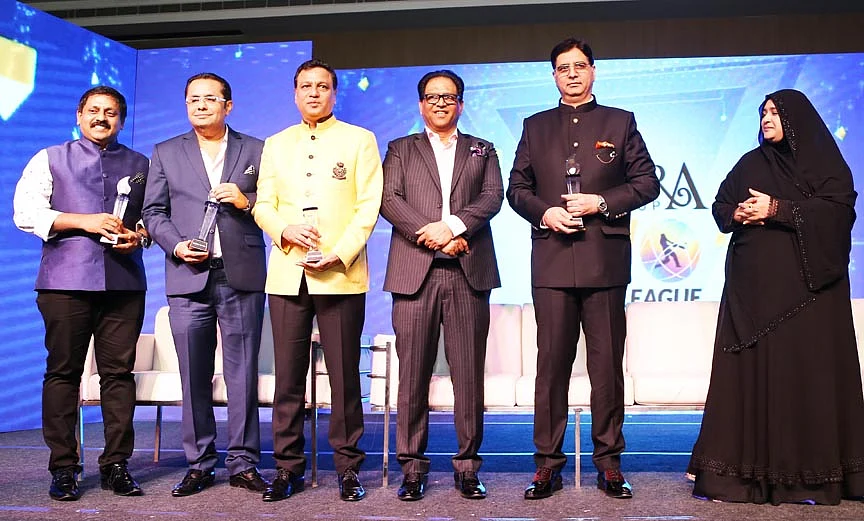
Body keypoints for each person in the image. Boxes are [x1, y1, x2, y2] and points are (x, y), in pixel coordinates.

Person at [687, 89, 864, 505]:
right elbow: (721, 205)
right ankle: (746, 478)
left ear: (796, 119)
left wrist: (778, 209)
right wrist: (736, 213)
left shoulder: (825, 165)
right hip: (752, 297)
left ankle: (809, 479)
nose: (766, 119)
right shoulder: (751, 163)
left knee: (804, 380)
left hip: (808, 298)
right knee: (752, 381)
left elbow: (837, 212)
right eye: (763, 112)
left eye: (775, 112)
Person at [506, 37, 660, 500]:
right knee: (550, 367)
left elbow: (647, 183)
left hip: (604, 262)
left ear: (593, 70)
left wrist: (601, 203)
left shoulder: (620, 121)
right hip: (552, 260)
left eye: (579, 66)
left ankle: (609, 464)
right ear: (553, 75)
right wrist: (545, 213)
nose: (571, 74)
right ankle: (546, 465)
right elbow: (517, 189)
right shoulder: (535, 126)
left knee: (606, 368)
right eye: (562, 68)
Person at [253, 58, 383, 503]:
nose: (314, 93)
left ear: (334, 93)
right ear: (295, 93)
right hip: (287, 274)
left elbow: (368, 206)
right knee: (287, 378)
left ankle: (348, 467)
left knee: (345, 377)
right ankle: (287, 467)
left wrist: (339, 252)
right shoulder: (276, 143)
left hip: (341, 273)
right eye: (306, 86)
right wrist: (284, 230)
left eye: (322, 86)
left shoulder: (359, 139)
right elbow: (262, 204)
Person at [13, 86, 149, 501]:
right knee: (63, 373)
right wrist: (83, 221)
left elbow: (154, 218)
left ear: (121, 120)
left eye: (110, 112)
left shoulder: (141, 164)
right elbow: (25, 213)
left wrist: (139, 237)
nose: (101, 117)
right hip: (64, 283)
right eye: (94, 110)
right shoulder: (50, 157)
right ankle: (64, 467)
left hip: (124, 283)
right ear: (79, 115)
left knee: (119, 376)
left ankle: (116, 465)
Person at [380, 70, 503, 501]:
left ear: (461, 104)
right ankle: (412, 467)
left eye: (448, 97)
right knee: (412, 375)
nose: (440, 103)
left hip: (468, 270)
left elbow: (492, 197)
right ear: (420, 105)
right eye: (432, 97)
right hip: (415, 273)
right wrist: (433, 235)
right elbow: (390, 200)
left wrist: (452, 227)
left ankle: (468, 467)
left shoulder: (482, 149)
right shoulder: (400, 149)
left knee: (468, 375)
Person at [142, 73, 268, 497]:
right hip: (188, 274)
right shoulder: (165, 151)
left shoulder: (257, 149)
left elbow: (276, 204)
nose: (200, 105)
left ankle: (244, 462)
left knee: (242, 373)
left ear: (228, 106)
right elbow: (153, 212)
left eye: (210, 99)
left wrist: (247, 202)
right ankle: (199, 463)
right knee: (193, 375)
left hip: (240, 274)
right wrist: (177, 246)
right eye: (193, 99)